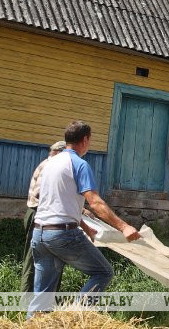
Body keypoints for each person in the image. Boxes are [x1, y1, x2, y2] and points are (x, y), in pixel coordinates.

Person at [28, 120, 141, 317]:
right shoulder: (79, 164)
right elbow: (95, 202)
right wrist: (124, 227)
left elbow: (57, 202)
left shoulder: (49, 164)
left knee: (43, 294)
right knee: (103, 272)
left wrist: (86, 227)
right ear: (86, 140)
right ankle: (75, 317)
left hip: (39, 233)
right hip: (63, 235)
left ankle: (32, 322)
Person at [20, 140, 67, 293]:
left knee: (44, 259)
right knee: (35, 260)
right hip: (39, 216)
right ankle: (28, 301)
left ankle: (42, 301)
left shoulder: (49, 164)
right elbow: (41, 194)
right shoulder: (50, 167)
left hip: (41, 215)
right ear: (60, 153)